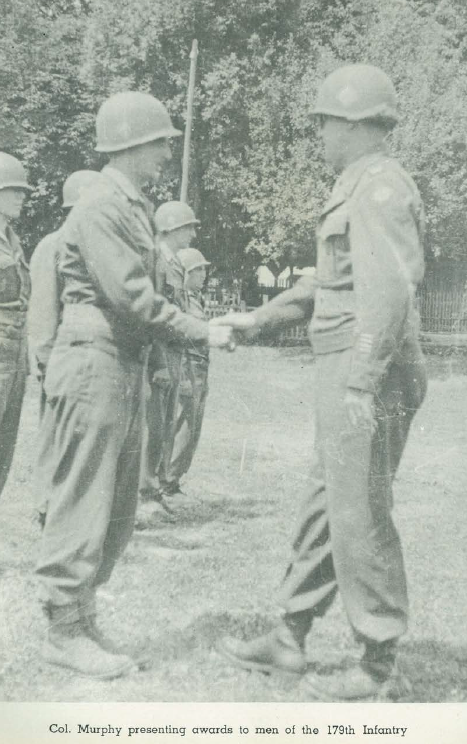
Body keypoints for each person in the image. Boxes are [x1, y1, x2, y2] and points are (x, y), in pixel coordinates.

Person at [213, 64, 428, 701]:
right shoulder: (354, 184)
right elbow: (329, 284)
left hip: (367, 373)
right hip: (344, 367)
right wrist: (257, 318)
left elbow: (388, 294)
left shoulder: (380, 187)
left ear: (358, 124)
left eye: (326, 121)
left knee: (359, 508)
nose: (321, 133)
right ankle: (288, 634)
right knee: (326, 503)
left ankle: (380, 659)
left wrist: (362, 382)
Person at [34, 91, 233, 680]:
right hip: (94, 359)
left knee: (118, 506)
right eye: (161, 141)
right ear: (130, 146)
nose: (169, 151)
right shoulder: (101, 206)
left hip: (122, 362)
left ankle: (83, 616)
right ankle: (62, 629)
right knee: (84, 498)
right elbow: (132, 297)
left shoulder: (131, 204)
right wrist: (201, 329)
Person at [29, 170, 104, 527]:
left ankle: (73, 508)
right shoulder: (53, 245)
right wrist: (47, 361)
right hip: (61, 358)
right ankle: (46, 505)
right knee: (54, 435)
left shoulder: (95, 247)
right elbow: (44, 310)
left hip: (90, 360)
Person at [0, 151, 33, 574]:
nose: (22, 198)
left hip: (13, 348)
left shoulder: (10, 237)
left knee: (1, 446)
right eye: (16, 190)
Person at [137, 200, 201, 527]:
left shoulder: (173, 263)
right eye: (188, 227)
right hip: (159, 356)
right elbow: (155, 317)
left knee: (162, 428)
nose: (192, 233)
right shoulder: (157, 261)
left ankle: (156, 489)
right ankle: (145, 495)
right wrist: (160, 362)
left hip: (175, 354)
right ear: (172, 228)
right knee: (154, 427)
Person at [164, 247, 211, 492]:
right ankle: (167, 481)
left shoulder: (195, 299)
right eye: (198, 270)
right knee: (182, 423)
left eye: (203, 269)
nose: (203, 274)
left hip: (200, 366)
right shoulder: (180, 302)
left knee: (193, 425)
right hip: (188, 364)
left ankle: (175, 479)